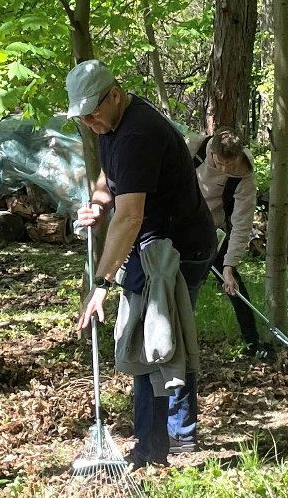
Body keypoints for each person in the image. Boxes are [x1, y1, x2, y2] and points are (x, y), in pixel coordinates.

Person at [70, 60, 216, 467]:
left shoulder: (138, 133)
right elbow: (108, 178)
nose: (89, 121)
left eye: (93, 112)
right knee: (164, 340)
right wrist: (98, 204)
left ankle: (158, 446)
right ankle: (173, 436)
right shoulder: (111, 124)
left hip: (178, 249)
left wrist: (101, 283)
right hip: (155, 244)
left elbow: (130, 217)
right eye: (82, 115)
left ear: (115, 94)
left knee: (159, 341)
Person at [187, 128, 273, 358]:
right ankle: (176, 341)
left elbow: (242, 223)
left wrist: (228, 265)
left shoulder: (244, 175)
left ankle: (251, 342)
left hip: (213, 231)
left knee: (234, 284)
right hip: (178, 224)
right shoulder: (192, 148)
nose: (225, 170)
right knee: (177, 283)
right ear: (211, 152)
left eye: (231, 164)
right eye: (220, 163)